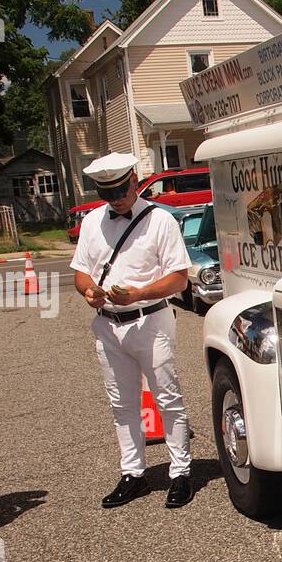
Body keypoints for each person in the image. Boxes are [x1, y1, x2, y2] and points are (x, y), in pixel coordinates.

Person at [70, 152, 194, 508]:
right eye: (108, 194)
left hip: (150, 319)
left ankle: (180, 472)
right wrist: (89, 291)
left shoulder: (160, 221)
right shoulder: (94, 221)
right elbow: (81, 271)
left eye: (121, 191)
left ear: (135, 181)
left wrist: (139, 293)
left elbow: (178, 277)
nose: (117, 199)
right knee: (121, 403)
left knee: (166, 397)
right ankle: (133, 473)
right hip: (108, 324)